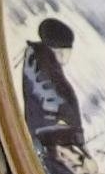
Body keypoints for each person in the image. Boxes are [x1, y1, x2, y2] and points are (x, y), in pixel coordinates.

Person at [21, 17, 85, 161]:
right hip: (50, 145)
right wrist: (68, 137)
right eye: (66, 51)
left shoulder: (45, 65)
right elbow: (51, 105)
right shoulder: (41, 67)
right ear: (59, 51)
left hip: (54, 143)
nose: (67, 56)